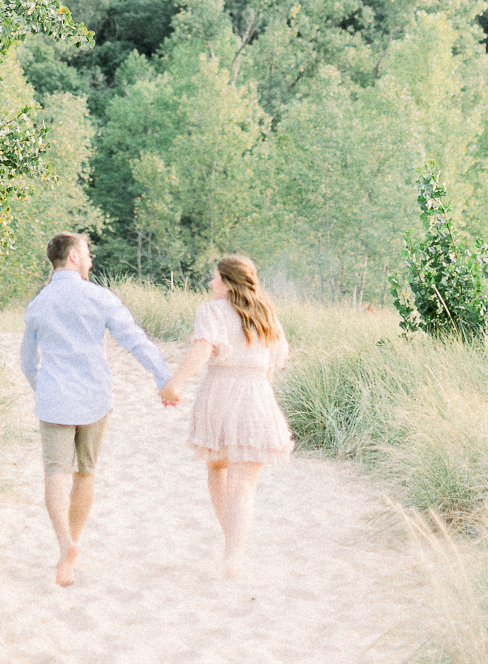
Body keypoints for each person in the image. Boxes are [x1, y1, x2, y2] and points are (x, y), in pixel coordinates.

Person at [19, 232, 174, 588]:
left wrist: (41, 388)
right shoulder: (99, 297)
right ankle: (72, 549)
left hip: (55, 398)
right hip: (94, 400)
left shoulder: (39, 303)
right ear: (73, 256)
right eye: (87, 254)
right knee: (85, 474)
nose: (91, 260)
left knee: (55, 474)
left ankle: (64, 545)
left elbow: (28, 361)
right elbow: (134, 339)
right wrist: (163, 379)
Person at [160, 254, 294, 579]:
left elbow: (201, 350)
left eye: (215, 277)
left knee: (218, 469)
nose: (211, 283)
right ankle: (234, 553)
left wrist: (173, 383)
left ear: (228, 282)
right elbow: (273, 363)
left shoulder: (211, 311)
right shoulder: (266, 313)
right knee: (243, 486)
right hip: (257, 395)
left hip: (220, 395)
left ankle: (231, 549)